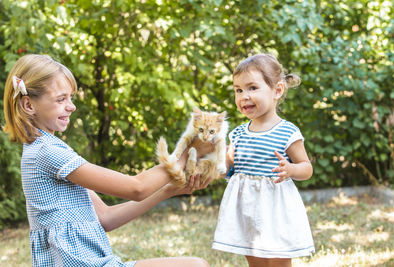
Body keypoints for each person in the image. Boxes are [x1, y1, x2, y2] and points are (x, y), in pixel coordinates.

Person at [2, 54, 212, 267]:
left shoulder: (51, 150)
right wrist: (186, 154)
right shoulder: (46, 152)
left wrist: (169, 190)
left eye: (71, 98)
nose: (71, 106)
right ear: (28, 105)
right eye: (60, 99)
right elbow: (136, 187)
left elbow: (105, 218)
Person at [212, 53, 315, 267]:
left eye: (252, 88)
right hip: (246, 208)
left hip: (276, 208)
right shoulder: (238, 133)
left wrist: (291, 170)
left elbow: (307, 169)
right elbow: (227, 170)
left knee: (278, 260)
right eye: (238, 90)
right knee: (255, 260)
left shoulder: (287, 132)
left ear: (277, 90)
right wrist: (222, 162)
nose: (243, 96)